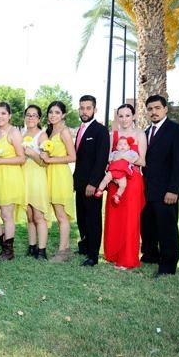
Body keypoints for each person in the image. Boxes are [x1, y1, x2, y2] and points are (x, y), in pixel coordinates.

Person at [140, 94, 179, 276]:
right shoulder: (145, 133)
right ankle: (151, 255)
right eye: (150, 109)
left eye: (157, 108)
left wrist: (174, 190)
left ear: (165, 109)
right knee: (148, 226)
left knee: (167, 229)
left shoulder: (177, 130)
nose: (154, 112)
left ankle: (168, 266)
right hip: (146, 191)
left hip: (166, 191)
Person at [102, 103, 146, 270]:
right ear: (117, 118)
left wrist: (124, 157)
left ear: (133, 116)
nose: (124, 119)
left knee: (130, 219)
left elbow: (142, 161)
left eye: (128, 115)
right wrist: (113, 169)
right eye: (121, 116)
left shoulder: (140, 134)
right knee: (114, 218)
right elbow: (108, 158)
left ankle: (127, 258)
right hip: (114, 181)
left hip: (133, 180)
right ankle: (113, 253)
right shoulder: (112, 135)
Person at [72, 95, 110, 267]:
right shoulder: (80, 129)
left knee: (93, 219)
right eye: (82, 108)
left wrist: (93, 183)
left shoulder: (100, 131)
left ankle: (93, 255)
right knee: (82, 217)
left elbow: (101, 160)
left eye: (88, 108)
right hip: (79, 183)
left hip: (91, 185)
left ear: (95, 109)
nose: (84, 111)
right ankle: (85, 246)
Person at [0, 102, 26, 260]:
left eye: (3, 113)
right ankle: (4, 243)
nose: (0, 116)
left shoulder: (14, 133)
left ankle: (8, 251)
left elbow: (22, 158)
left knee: (6, 215)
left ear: (9, 116)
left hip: (9, 177)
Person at [40, 101, 76, 263]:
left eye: (56, 112)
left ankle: (62, 252)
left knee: (62, 216)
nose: (53, 115)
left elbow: (73, 156)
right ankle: (66, 248)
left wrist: (50, 159)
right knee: (57, 213)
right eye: (50, 112)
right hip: (50, 174)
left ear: (63, 115)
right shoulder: (50, 131)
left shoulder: (65, 132)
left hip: (61, 174)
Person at [21, 105, 51, 260]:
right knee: (29, 216)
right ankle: (32, 247)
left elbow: (45, 162)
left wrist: (32, 153)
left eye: (34, 115)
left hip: (37, 177)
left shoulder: (42, 136)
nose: (30, 118)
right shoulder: (22, 134)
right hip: (24, 177)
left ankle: (42, 250)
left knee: (39, 216)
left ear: (39, 119)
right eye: (28, 115)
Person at [95, 136, 139, 204]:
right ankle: (100, 190)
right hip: (112, 171)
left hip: (122, 173)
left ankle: (117, 195)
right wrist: (111, 159)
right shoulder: (115, 153)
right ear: (117, 147)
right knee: (105, 179)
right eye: (120, 144)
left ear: (129, 147)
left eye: (125, 144)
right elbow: (109, 159)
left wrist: (133, 160)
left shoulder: (130, 152)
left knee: (123, 185)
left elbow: (137, 156)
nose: (122, 146)